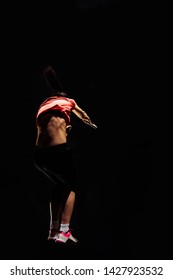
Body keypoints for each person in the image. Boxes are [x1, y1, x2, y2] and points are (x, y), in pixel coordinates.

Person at [33, 65, 97, 244]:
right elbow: (82, 114)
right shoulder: (68, 102)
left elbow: (50, 127)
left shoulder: (44, 105)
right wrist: (90, 122)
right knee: (72, 185)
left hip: (39, 156)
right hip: (57, 153)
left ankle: (52, 230)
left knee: (59, 186)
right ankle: (64, 231)